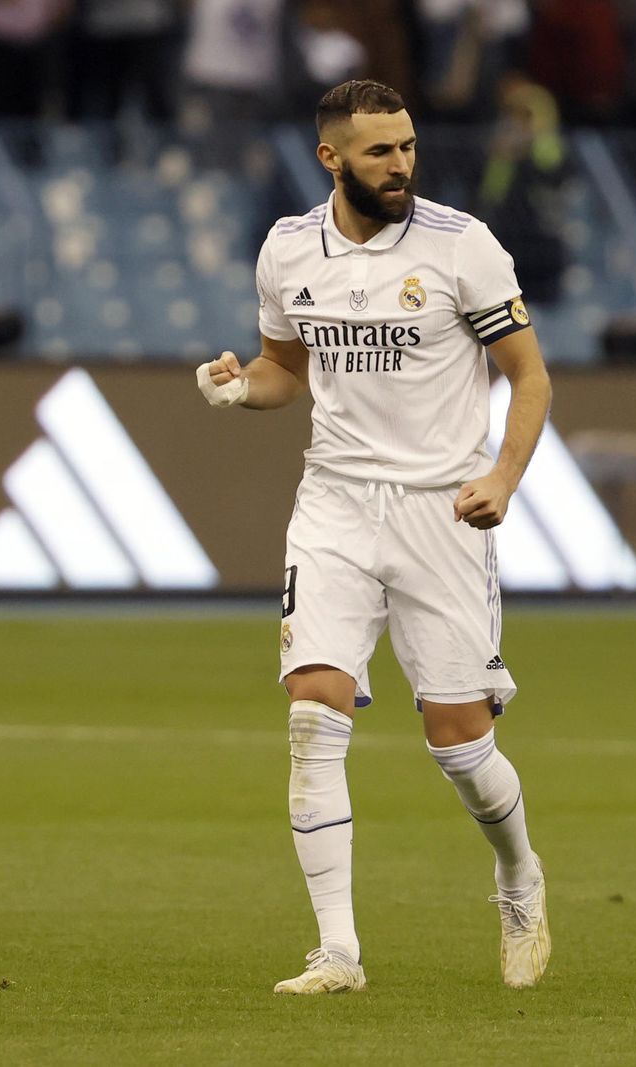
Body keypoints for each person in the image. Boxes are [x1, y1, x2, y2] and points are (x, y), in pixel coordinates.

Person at [194, 80, 554, 993]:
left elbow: (531, 377)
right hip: (336, 505)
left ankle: (519, 876)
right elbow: (286, 369)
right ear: (331, 159)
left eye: (407, 146)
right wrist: (242, 389)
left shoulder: (460, 245)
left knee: (460, 747)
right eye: (380, 151)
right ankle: (338, 952)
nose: (401, 164)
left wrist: (501, 478)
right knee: (313, 713)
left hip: (443, 508)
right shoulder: (286, 249)